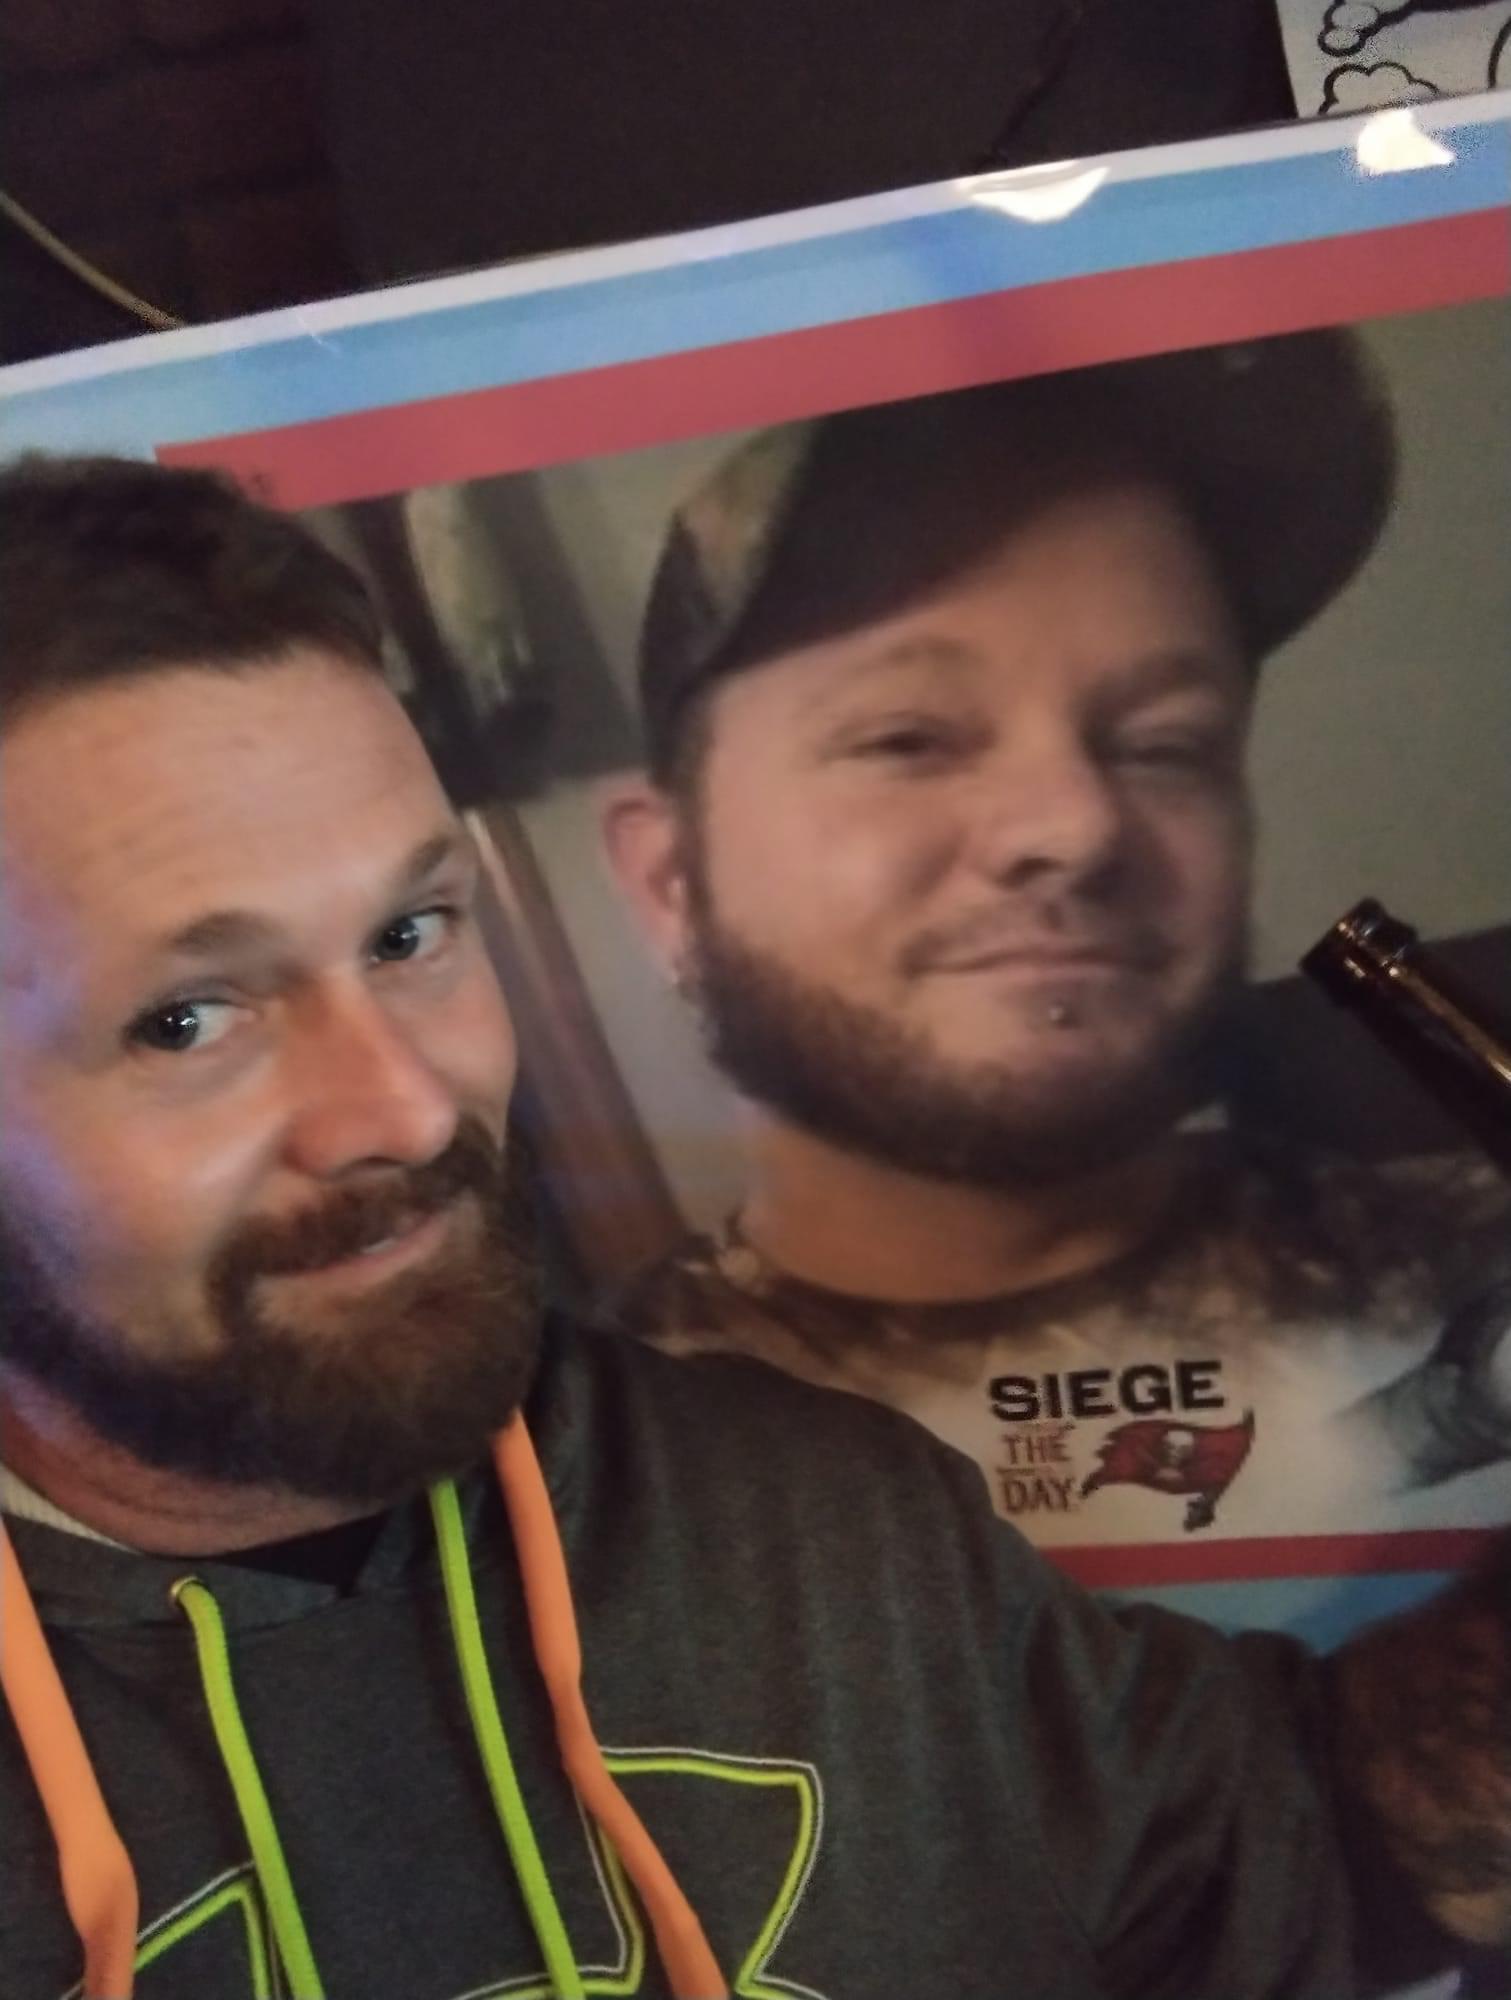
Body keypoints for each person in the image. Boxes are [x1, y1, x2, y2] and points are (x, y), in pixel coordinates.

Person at [1, 455, 1507, 2000]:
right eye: (187, 1018)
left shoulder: (801, 1513)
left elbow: (1293, 1855)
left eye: (408, 934)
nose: (400, 1105)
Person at [602, 328, 1511, 1548]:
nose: (1078, 823)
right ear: (670, 884)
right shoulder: (585, 1476)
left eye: (1163, 743)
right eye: (908, 735)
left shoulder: (1465, 1266)